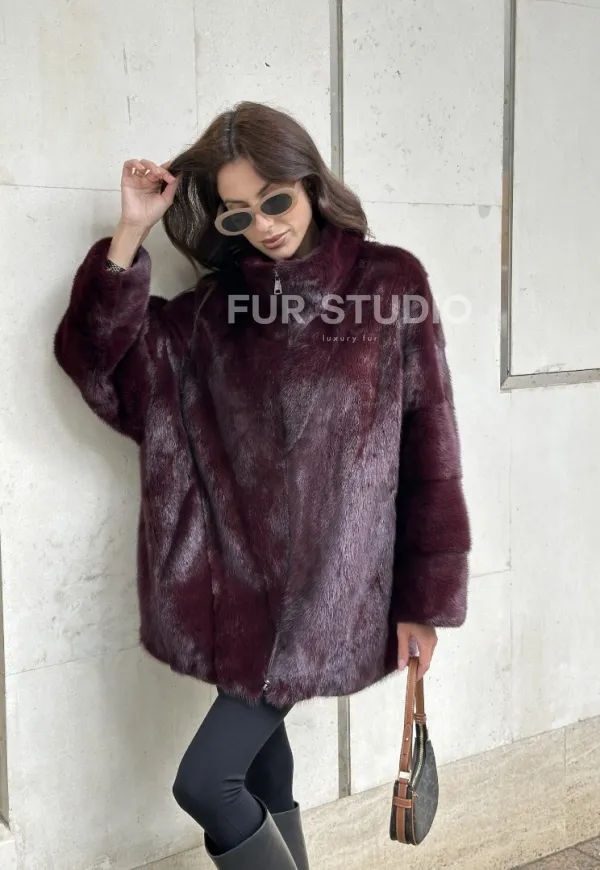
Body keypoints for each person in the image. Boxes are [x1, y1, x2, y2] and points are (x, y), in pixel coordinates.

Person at [53, 101, 471, 869]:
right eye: (240, 214)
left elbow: (429, 448)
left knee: (206, 784)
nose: (265, 225)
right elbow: (100, 367)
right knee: (256, 777)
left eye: (275, 200)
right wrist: (132, 231)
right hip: (243, 594)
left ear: (309, 182)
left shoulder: (389, 284)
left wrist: (425, 601)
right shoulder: (214, 313)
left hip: (330, 595)